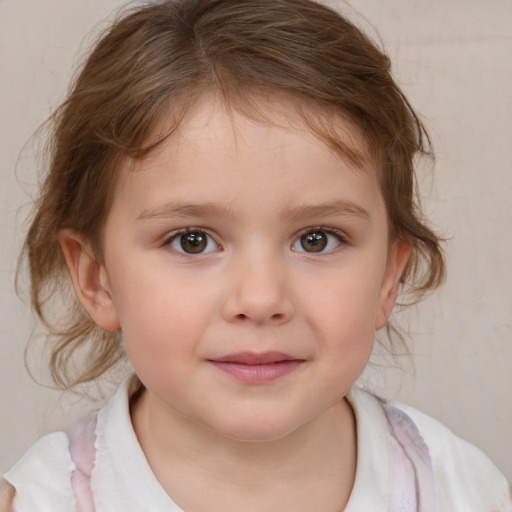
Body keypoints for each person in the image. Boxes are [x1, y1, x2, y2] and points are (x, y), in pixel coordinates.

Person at [1, 0, 511, 510]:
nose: (262, 298)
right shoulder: (39, 502)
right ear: (96, 278)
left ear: (386, 277)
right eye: (192, 240)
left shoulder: (462, 491)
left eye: (317, 239)